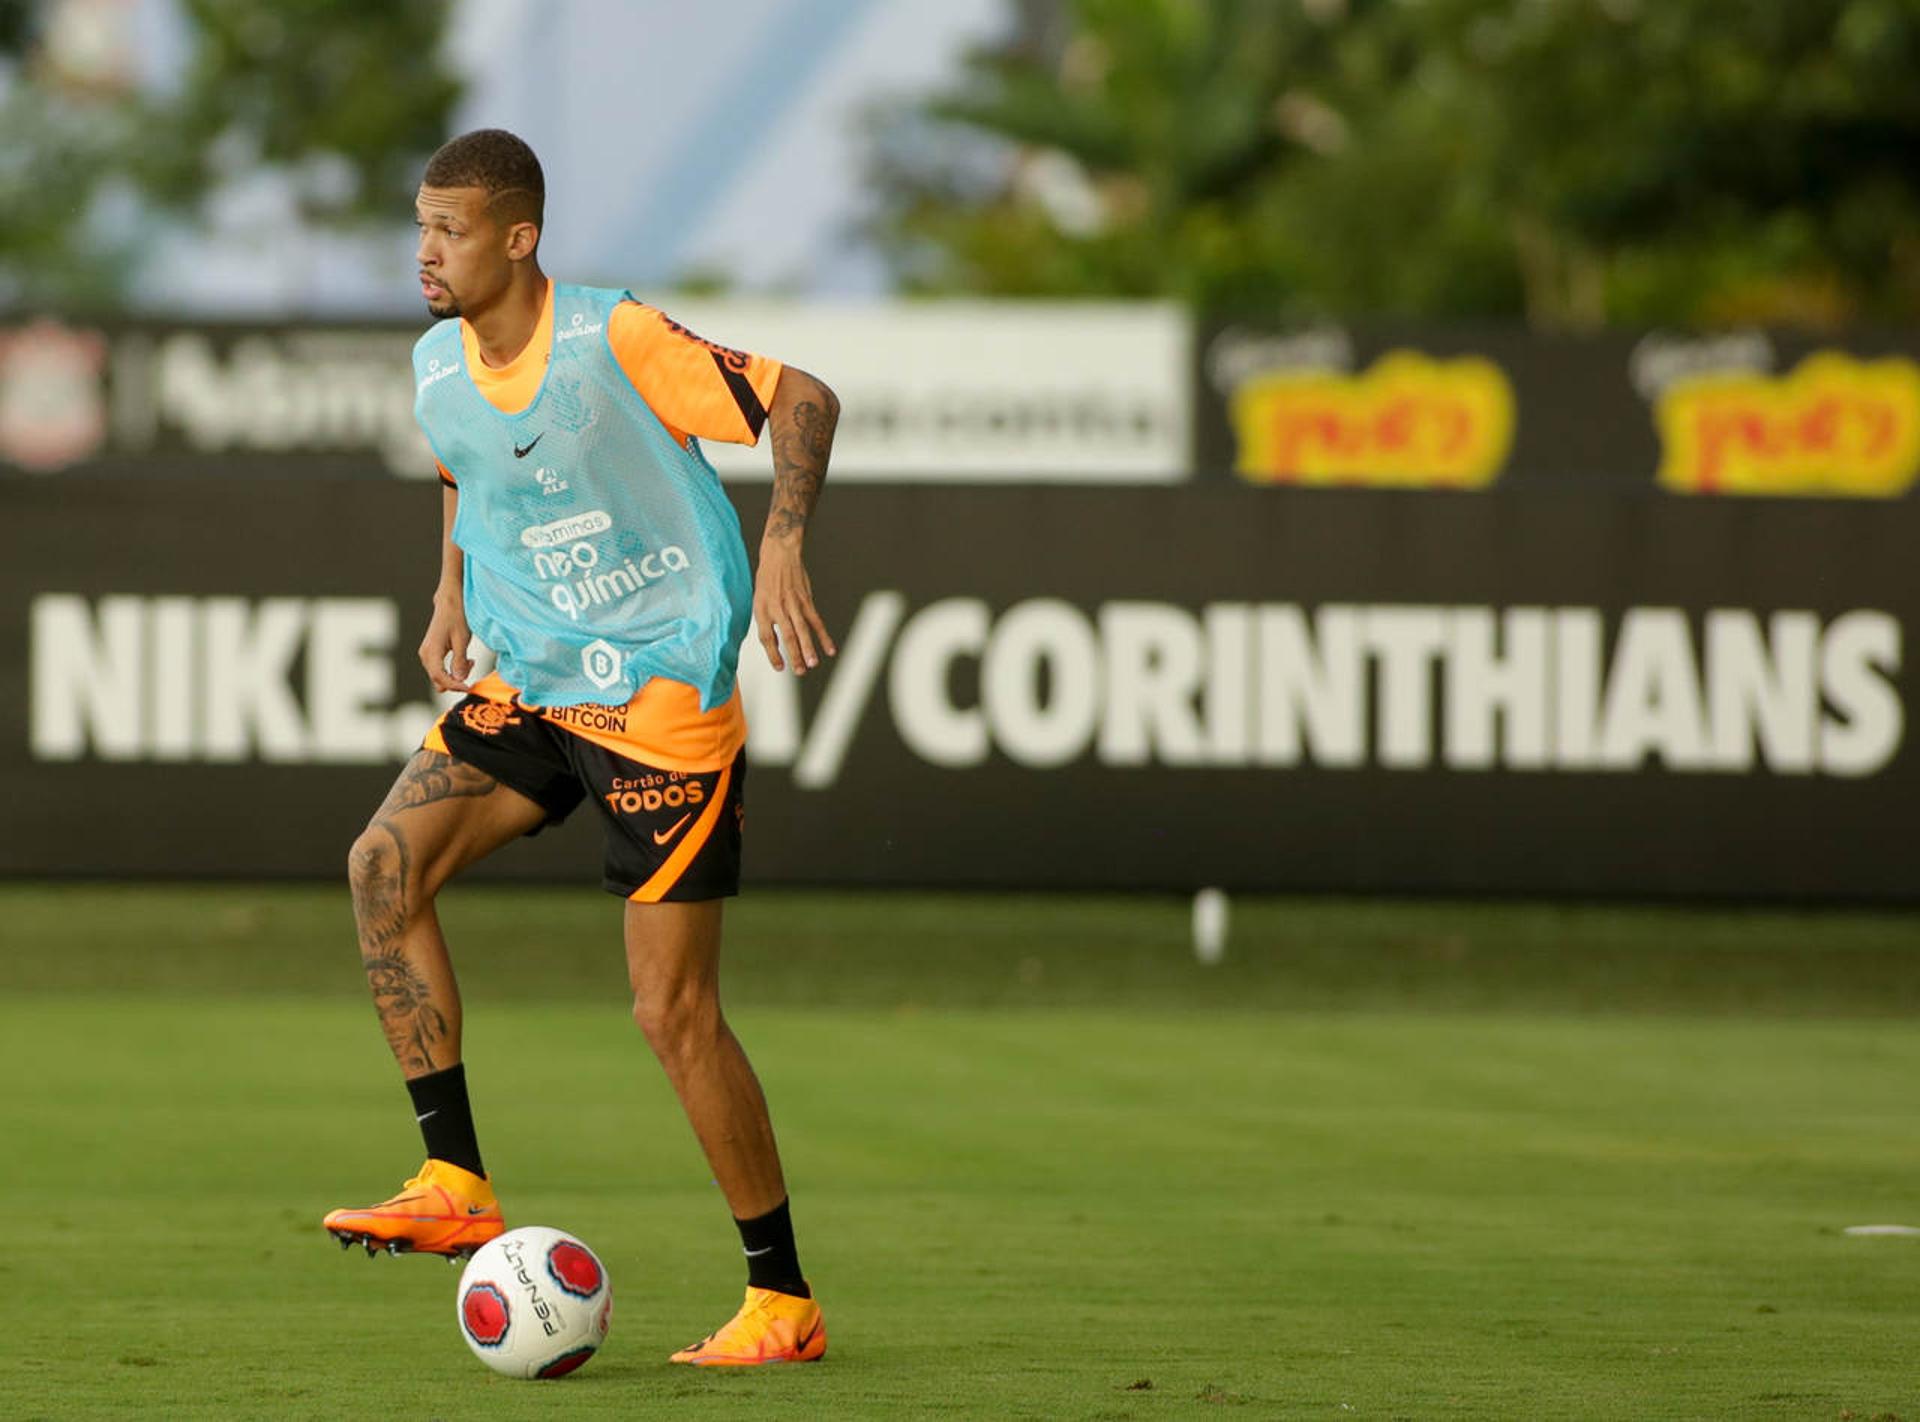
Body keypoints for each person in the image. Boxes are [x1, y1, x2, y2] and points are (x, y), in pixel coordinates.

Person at [321, 128, 838, 1368]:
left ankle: (783, 1300)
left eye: (447, 229)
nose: (425, 250)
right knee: (381, 869)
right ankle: (454, 1177)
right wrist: (449, 593)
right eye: (418, 225)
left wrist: (783, 539)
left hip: (661, 701)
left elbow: (802, 399)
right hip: (535, 682)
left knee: (673, 1014)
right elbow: (464, 465)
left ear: (519, 238)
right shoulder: (438, 361)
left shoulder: (616, 339)